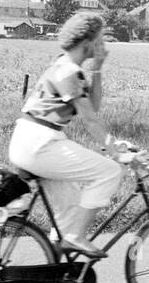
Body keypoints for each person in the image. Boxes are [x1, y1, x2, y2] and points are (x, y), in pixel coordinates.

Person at [8, 13, 122, 258]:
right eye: (100, 40)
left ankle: (56, 271)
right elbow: (90, 119)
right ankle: (76, 238)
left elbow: (92, 106)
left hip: (32, 140)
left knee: (71, 206)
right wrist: (114, 150)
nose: (103, 45)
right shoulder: (69, 71)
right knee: (109, 171)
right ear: (87, 43)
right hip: (39, 143)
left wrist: (98, 69)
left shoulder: (64, 65)